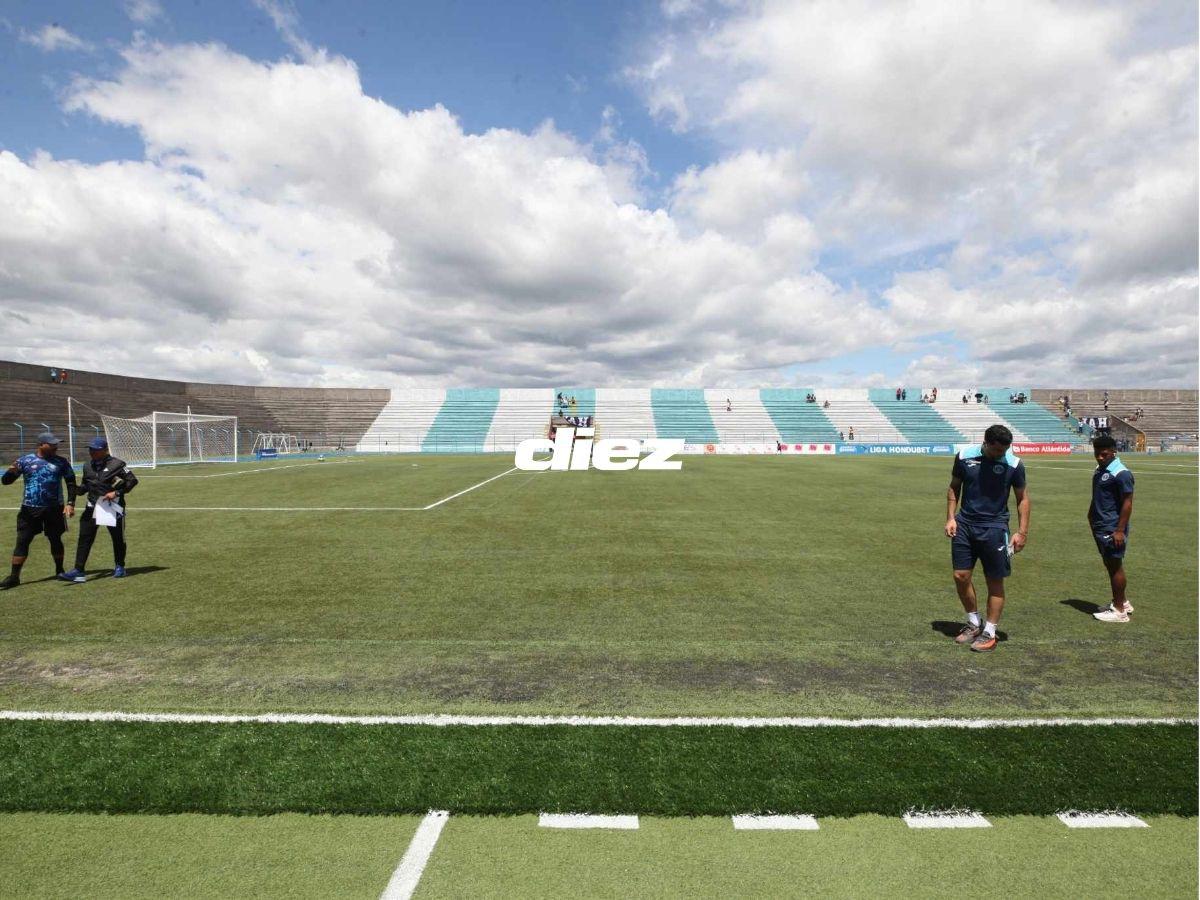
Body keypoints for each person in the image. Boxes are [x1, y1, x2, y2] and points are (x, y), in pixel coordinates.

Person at [945, 424, 1030, 652]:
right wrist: (951, 518)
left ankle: (990, 632)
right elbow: (954, 488)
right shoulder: (964, 457)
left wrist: (1021, 532)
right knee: (961, 575)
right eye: (996, 451)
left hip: (994, 527)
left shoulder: (1013, 464)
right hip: (964, 525)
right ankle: (973, 622)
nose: (1000, 455)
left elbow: (1022, 498)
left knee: (994, 580)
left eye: (1004, 451)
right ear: (986, 442)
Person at [0, 432, 77, 589]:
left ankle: (59, 571)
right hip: (30, 509)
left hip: (54, 509)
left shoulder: (61, 462)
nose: (56, 446)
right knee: (23, 541)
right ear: (41, 444)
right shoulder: (25, 461)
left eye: (57, 444)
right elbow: (6, 482)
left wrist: (70, 503)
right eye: (52, 444)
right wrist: (11, 472)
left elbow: (71, 482)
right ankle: (14, 577)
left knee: (55, 539)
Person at [58, 437, 138, 583]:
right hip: (92, 507)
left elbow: (132, 481)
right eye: (90, 449)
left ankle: (120, 566)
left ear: (105, 450)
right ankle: (79, 571)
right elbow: (85, 486)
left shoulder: (117, 464)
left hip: (112, 507)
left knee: (117, 538)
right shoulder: (87, 465)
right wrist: (76, 489)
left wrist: (117, 493)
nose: (92, 452)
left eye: (95, 449)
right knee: (84, 538)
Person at [1088, 435, 1135, 622]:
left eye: (1104, 454)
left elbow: (1127, 503)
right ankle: (1122, 602)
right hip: (1101, 524)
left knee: (1115, 566)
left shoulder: (1121, 473)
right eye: (1097, 453)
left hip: (1112, 527)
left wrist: (1120, 530)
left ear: (1114, 451)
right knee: (1110, 564)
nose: (1100, 457)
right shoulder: (1100, 469)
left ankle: (1119, 611)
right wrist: (1091, 514)